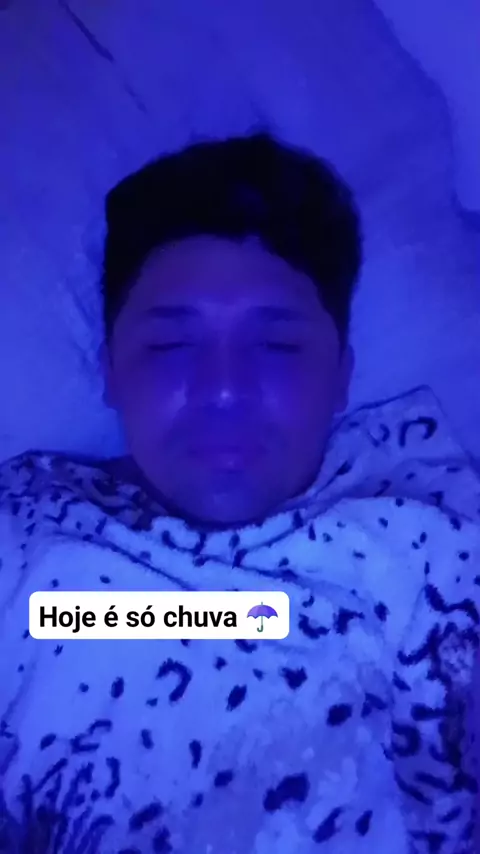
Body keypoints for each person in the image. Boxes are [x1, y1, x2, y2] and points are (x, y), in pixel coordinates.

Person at [0, 132, 479, 853]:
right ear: (110, 371)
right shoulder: (24, 536)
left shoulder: (431, 537)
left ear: (342, 376)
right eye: (170, 345)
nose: (224, 388)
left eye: (278, 345)